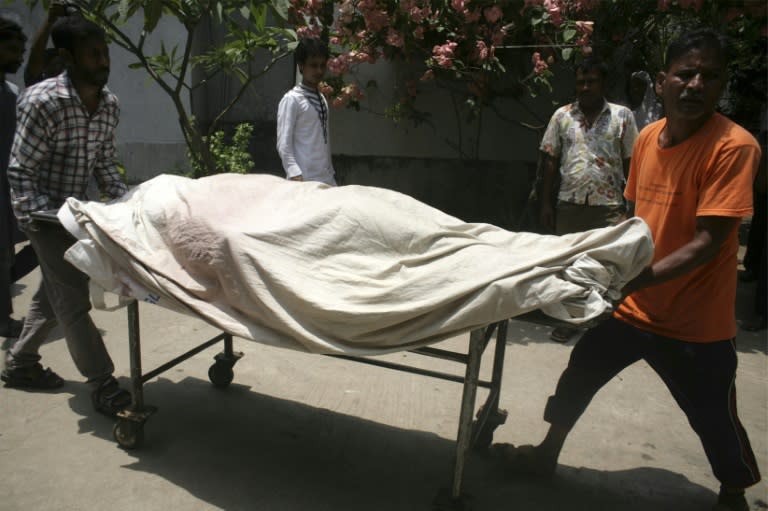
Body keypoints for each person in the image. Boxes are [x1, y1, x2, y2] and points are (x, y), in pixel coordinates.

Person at [494, 29, 761, 511]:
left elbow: (708, 242)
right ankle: (546, 453)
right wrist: (590, 255)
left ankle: (734, 492)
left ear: (721, 85)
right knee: (580, 373)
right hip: (634, 309)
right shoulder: (649, 139)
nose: (695, 85)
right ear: (662, 82)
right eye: (685, 74)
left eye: (709, 76)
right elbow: (632, 218)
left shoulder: (734, 147)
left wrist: (629, 280)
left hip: (696, 324)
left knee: (714, 416)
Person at [1, 16, 132, 417]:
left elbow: (104, 165)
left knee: (52, 293)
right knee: (72, 298)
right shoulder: (42, 101)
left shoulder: (109, 105)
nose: (103, 61)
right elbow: (20, 171)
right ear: (67, 58)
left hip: (76, 213)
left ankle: (21, 363)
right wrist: (39, 219)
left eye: (105, 53)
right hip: (43, 216)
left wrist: (129, 203)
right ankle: (102, 382)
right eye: (93, 54)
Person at [538, 57, 639, 342]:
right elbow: (549, 159)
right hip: (569, 204)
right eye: (581, 81)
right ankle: (569, 321)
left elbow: (632, 162)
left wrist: (632, 207)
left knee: (605, 266)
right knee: (568, 266)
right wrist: (546, 203)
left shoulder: (623, 117)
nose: (585, 87)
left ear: (603, 83)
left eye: (591, 81)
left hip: (609, 207)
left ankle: (601, 324)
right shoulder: (562, 116)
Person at [276, 37, 336, 186]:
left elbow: (323, 140)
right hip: (303, 180)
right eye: (313, 65)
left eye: (322, 65)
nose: (319, 71)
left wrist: (330, 173)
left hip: (326, 178)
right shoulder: (292, 99)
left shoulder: (321, 98)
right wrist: (295, 174)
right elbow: (284, 144)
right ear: (301, 66)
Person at [0, 16, 27, 338]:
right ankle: (4, 319)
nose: (17, 56)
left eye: (21, 50)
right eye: (11, 49)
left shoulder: (11, 91)